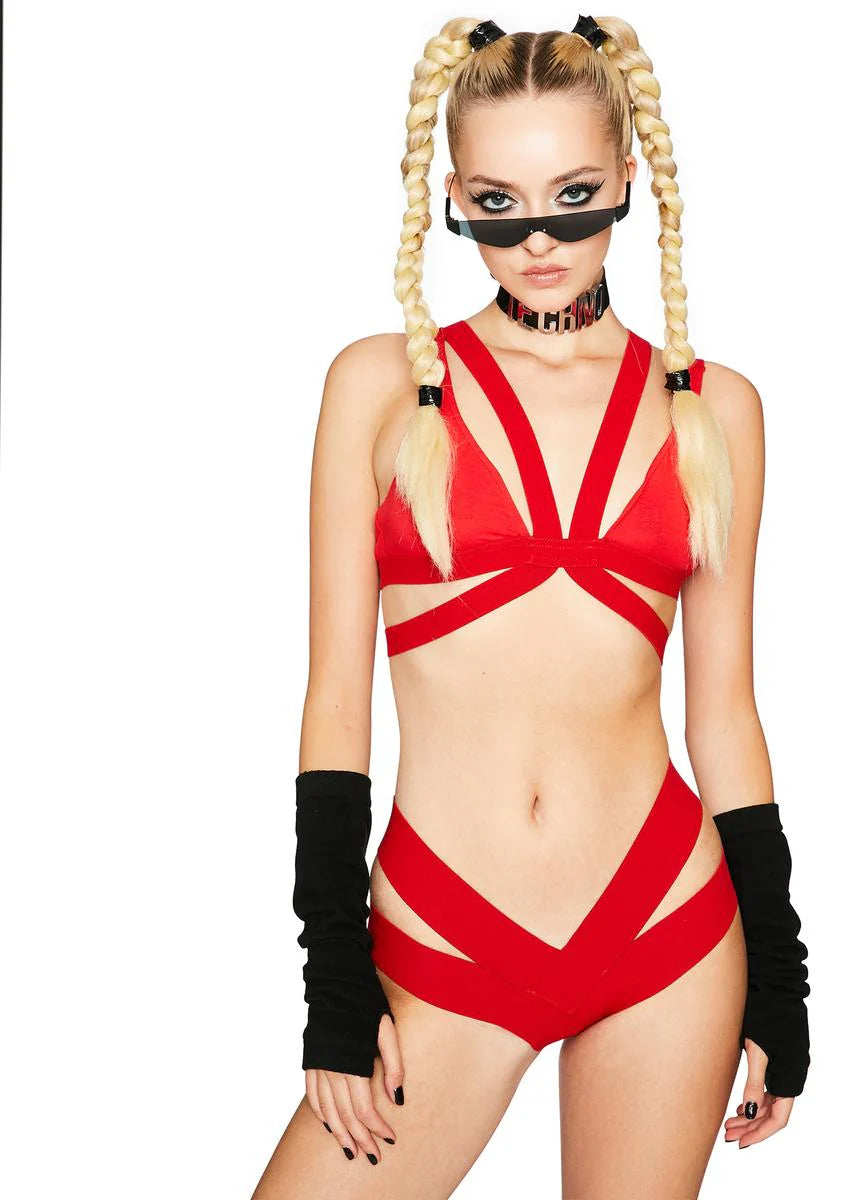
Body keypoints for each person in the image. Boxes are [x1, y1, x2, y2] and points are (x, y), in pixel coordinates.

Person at [251, 14, 810, 1199]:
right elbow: (336, 699)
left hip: (665, 923)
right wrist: (333, 972)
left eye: (575, 196)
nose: (541, 238)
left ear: (629, 180)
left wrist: (781, 970)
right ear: (454, 196)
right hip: (445, 932)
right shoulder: (380, 387)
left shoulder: (716, 410)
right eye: (499, 204)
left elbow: (724, 714)